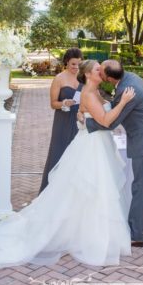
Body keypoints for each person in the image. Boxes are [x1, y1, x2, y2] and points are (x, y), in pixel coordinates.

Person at [0, 60, 135, 268]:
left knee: (93, 191)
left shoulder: (95, 91)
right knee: (92, 187)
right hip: (92, 146)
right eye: (98, 69)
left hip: (97, 142)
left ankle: (86, 231)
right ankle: (89, 237)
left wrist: (84, 114)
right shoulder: (90, 94)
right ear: (89, 75)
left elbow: (92, 116)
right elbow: (106, 120)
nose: (103, 71)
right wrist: (124, 102)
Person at [86, 59, 143, 246]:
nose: (99, 73)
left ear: (108, 77)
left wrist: (87, 123)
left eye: (101, 71)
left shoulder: (128, 89)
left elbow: (112, 122)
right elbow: (113, 108)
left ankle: (136, 236)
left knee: (141, 188)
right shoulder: (129, 79)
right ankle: (142, 227)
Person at [39, 47, 83, 192]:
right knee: (60, 152)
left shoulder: (83, 78)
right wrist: (63, 103)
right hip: (63, 120)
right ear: (66, 63)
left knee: (78, 155)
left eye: (78, 64)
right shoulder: (59, 79)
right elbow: (53, 104)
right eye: (73, 64)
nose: (76, 67)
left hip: (80, 121)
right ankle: (52, 191)